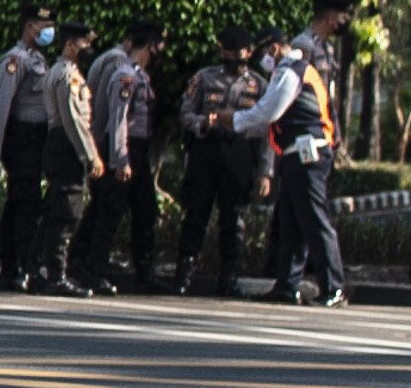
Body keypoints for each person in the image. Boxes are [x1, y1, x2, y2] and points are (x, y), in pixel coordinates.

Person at [234, 18, 348, 306]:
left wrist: (233, 121)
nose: (263, 60)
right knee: (291, 222)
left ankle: (333, 288)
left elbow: (268, 112)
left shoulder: (292, 71)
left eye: (263, 53)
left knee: (314, 220)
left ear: (274, 48)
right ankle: (286, 285)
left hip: (308, 153)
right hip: (296, 154)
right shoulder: (295, 70)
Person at [172, 27, 265, 294]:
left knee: (234, 217)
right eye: (225, 52)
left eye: (235, 53)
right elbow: (186, 113)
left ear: (247, 53)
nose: (229, 57)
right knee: (196, 212)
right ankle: (184, 275)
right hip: (206, 150)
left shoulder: (259, 85)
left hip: (238, 152)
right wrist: (203, 123)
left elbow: (266, 131)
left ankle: (229, 277)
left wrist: (264, 171)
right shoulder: (204, 77)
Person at [76, 19, 163, 291]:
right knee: (109, 211)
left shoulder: (139, 73)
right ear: (151, 46)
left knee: (146, 209)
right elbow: (118, 121)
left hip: (137, 150)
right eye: (160, 45)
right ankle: (94, 268)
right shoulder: (124, 75)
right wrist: (120, 159)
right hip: (123, 150)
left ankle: (144, 271)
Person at [20, 24, 99, 295]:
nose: (89, 50)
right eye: (84, 44)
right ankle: (56, 276)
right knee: (65, 212)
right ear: (70, 46)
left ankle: (34, 269)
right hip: (65, 144)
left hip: (58, 144)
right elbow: (73, 121)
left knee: (55, 209)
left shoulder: (61, 72)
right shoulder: (67, 76)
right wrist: (90, 156)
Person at [0, 7, 58, 285]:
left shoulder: (38, 59)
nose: (49, 31)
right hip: (21, 139)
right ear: (30, 27)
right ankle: (21, 265)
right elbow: (3, 106)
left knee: (22, 203)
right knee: (25, 203)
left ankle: (12, 265)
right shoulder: (14, 61)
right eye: (45, 25)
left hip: (37, 138)